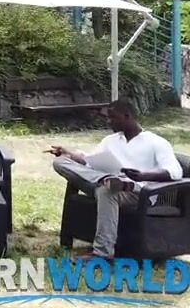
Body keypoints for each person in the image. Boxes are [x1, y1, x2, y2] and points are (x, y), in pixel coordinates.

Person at [48, 98, 184, 258]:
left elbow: (175, 172)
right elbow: (90, 161)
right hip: (105, 182)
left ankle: (103, 252)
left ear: (127, 116)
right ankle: (106, 179)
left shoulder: (156, 142)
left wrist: (142, 176)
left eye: (112, 117)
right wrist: (69, 154)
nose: (108, 121)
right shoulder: (110, 141)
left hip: (138, 193)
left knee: (106, 191)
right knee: (60, 162)